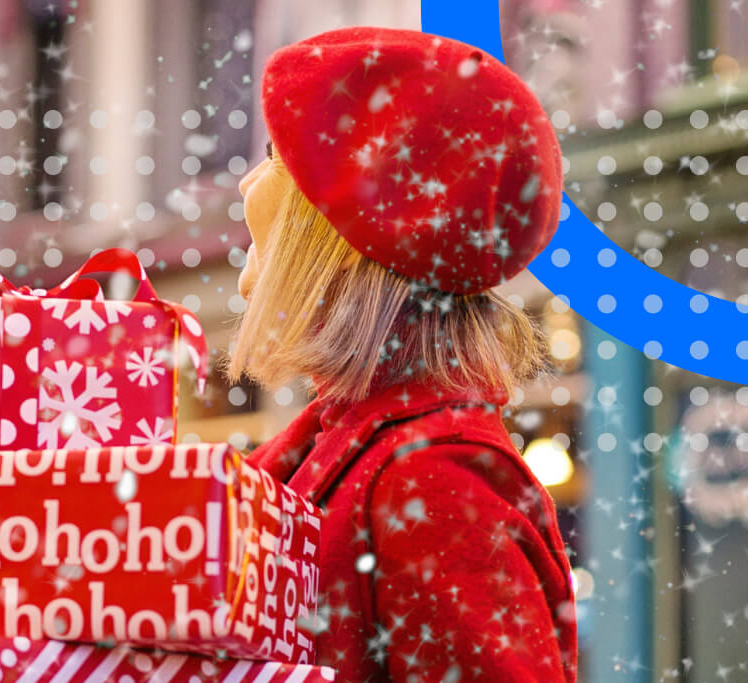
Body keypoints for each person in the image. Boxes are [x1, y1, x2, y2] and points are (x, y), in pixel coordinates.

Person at [232, 27, 578, 681]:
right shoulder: (343, 453)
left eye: (279, 156)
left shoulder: (432, 485)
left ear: (342, 224)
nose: (253, 181)